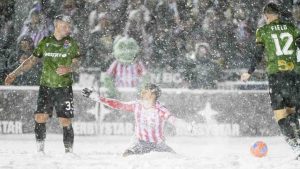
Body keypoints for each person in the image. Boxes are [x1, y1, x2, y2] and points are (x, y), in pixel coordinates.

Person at [5, 14, 80, 153]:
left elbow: (77, 64)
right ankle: (40, 150)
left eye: (69, 26)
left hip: (64, 88)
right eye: (65, 25)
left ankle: (69, 151)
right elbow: (31, 61)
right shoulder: (45, 42)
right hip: (46, 87)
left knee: (65, 121)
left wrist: (68, 69)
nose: (67, 28)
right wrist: (13, 74)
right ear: (57, 24)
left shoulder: (71, 43)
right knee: (40, 117)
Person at [241, 2, 300, 154]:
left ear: (266, 15)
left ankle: (295, 146)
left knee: (280, 113)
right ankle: (298, 139)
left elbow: (258, 53)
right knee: (292, 111)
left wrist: (249, 71)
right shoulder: (291, 27)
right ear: (278, 13)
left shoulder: (263, 30)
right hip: (294, 75)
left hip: (277, 75)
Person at [82, 83, 192, 156]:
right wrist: (96, 97)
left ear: (153, 95)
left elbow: (174, 120)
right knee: (126, 155)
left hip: (158, 144)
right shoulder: (137, 105)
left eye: (146, 90)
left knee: (176, 158)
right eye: (143, 90)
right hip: (140, 142)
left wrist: (187, 126)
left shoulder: (161, 110)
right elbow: (118, 104)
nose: (143, 92)